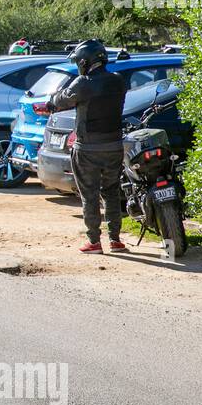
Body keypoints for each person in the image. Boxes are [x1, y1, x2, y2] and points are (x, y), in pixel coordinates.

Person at [35, 39, 128, 253]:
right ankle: (116, 240)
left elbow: (62, 100)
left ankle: (94, 241)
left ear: (86, 61)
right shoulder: (118, 81)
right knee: (112, 193)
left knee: (90, 195)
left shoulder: (83, 83)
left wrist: (49, 104)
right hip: (114, 146)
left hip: (87, 148)